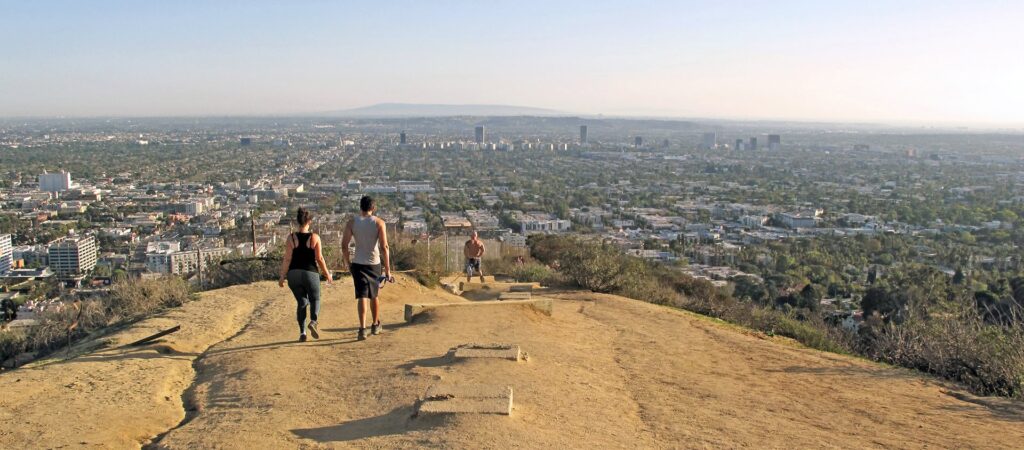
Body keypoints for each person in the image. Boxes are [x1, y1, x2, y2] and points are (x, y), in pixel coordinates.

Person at [342, 195, 392, 341]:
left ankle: (362, 328)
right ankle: (375, 324)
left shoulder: (352, 223)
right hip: (374, 263)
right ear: (373, 208)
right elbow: (384, 247)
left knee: (362, 295)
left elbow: (344, 245)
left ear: (360, 207)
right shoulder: (379, 223)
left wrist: (347, 262)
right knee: (374, 295)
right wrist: (388, 270)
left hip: (357, 263)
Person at [279, 207, 332, 342]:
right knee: (315, 299)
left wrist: (282, 276)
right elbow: (319, 258)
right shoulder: (314, 237)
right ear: (309, 221)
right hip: (310, 273)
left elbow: (287, 259)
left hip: (293, 274)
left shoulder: (291, 238)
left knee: (301, 302)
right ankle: (313, 321)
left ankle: (302, 332)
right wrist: (327, 274)